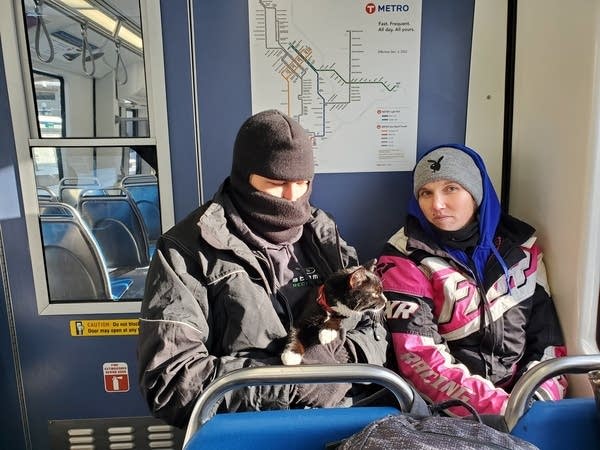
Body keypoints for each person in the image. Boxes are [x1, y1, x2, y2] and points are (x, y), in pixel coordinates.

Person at [137, 109, 390, 428]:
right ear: (245, 176)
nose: (292, 197)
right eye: (275, 183)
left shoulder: (322, 234)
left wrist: (338, 364)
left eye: (302, 183)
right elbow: (171, 382)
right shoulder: (187, 250)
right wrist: (291, 385)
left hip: (340, 420)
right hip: (249, 430)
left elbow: (376, 328)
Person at [377, 143, 567, 416]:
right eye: (426, 193)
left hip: (527, 400)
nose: (437, 205)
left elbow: (548, 339)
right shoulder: (404, 257)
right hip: (444, 412)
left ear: (476, 193)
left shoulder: (521, 248)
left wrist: (537, 400)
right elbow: (419, 361)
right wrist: (504, 410)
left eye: (451, 189)